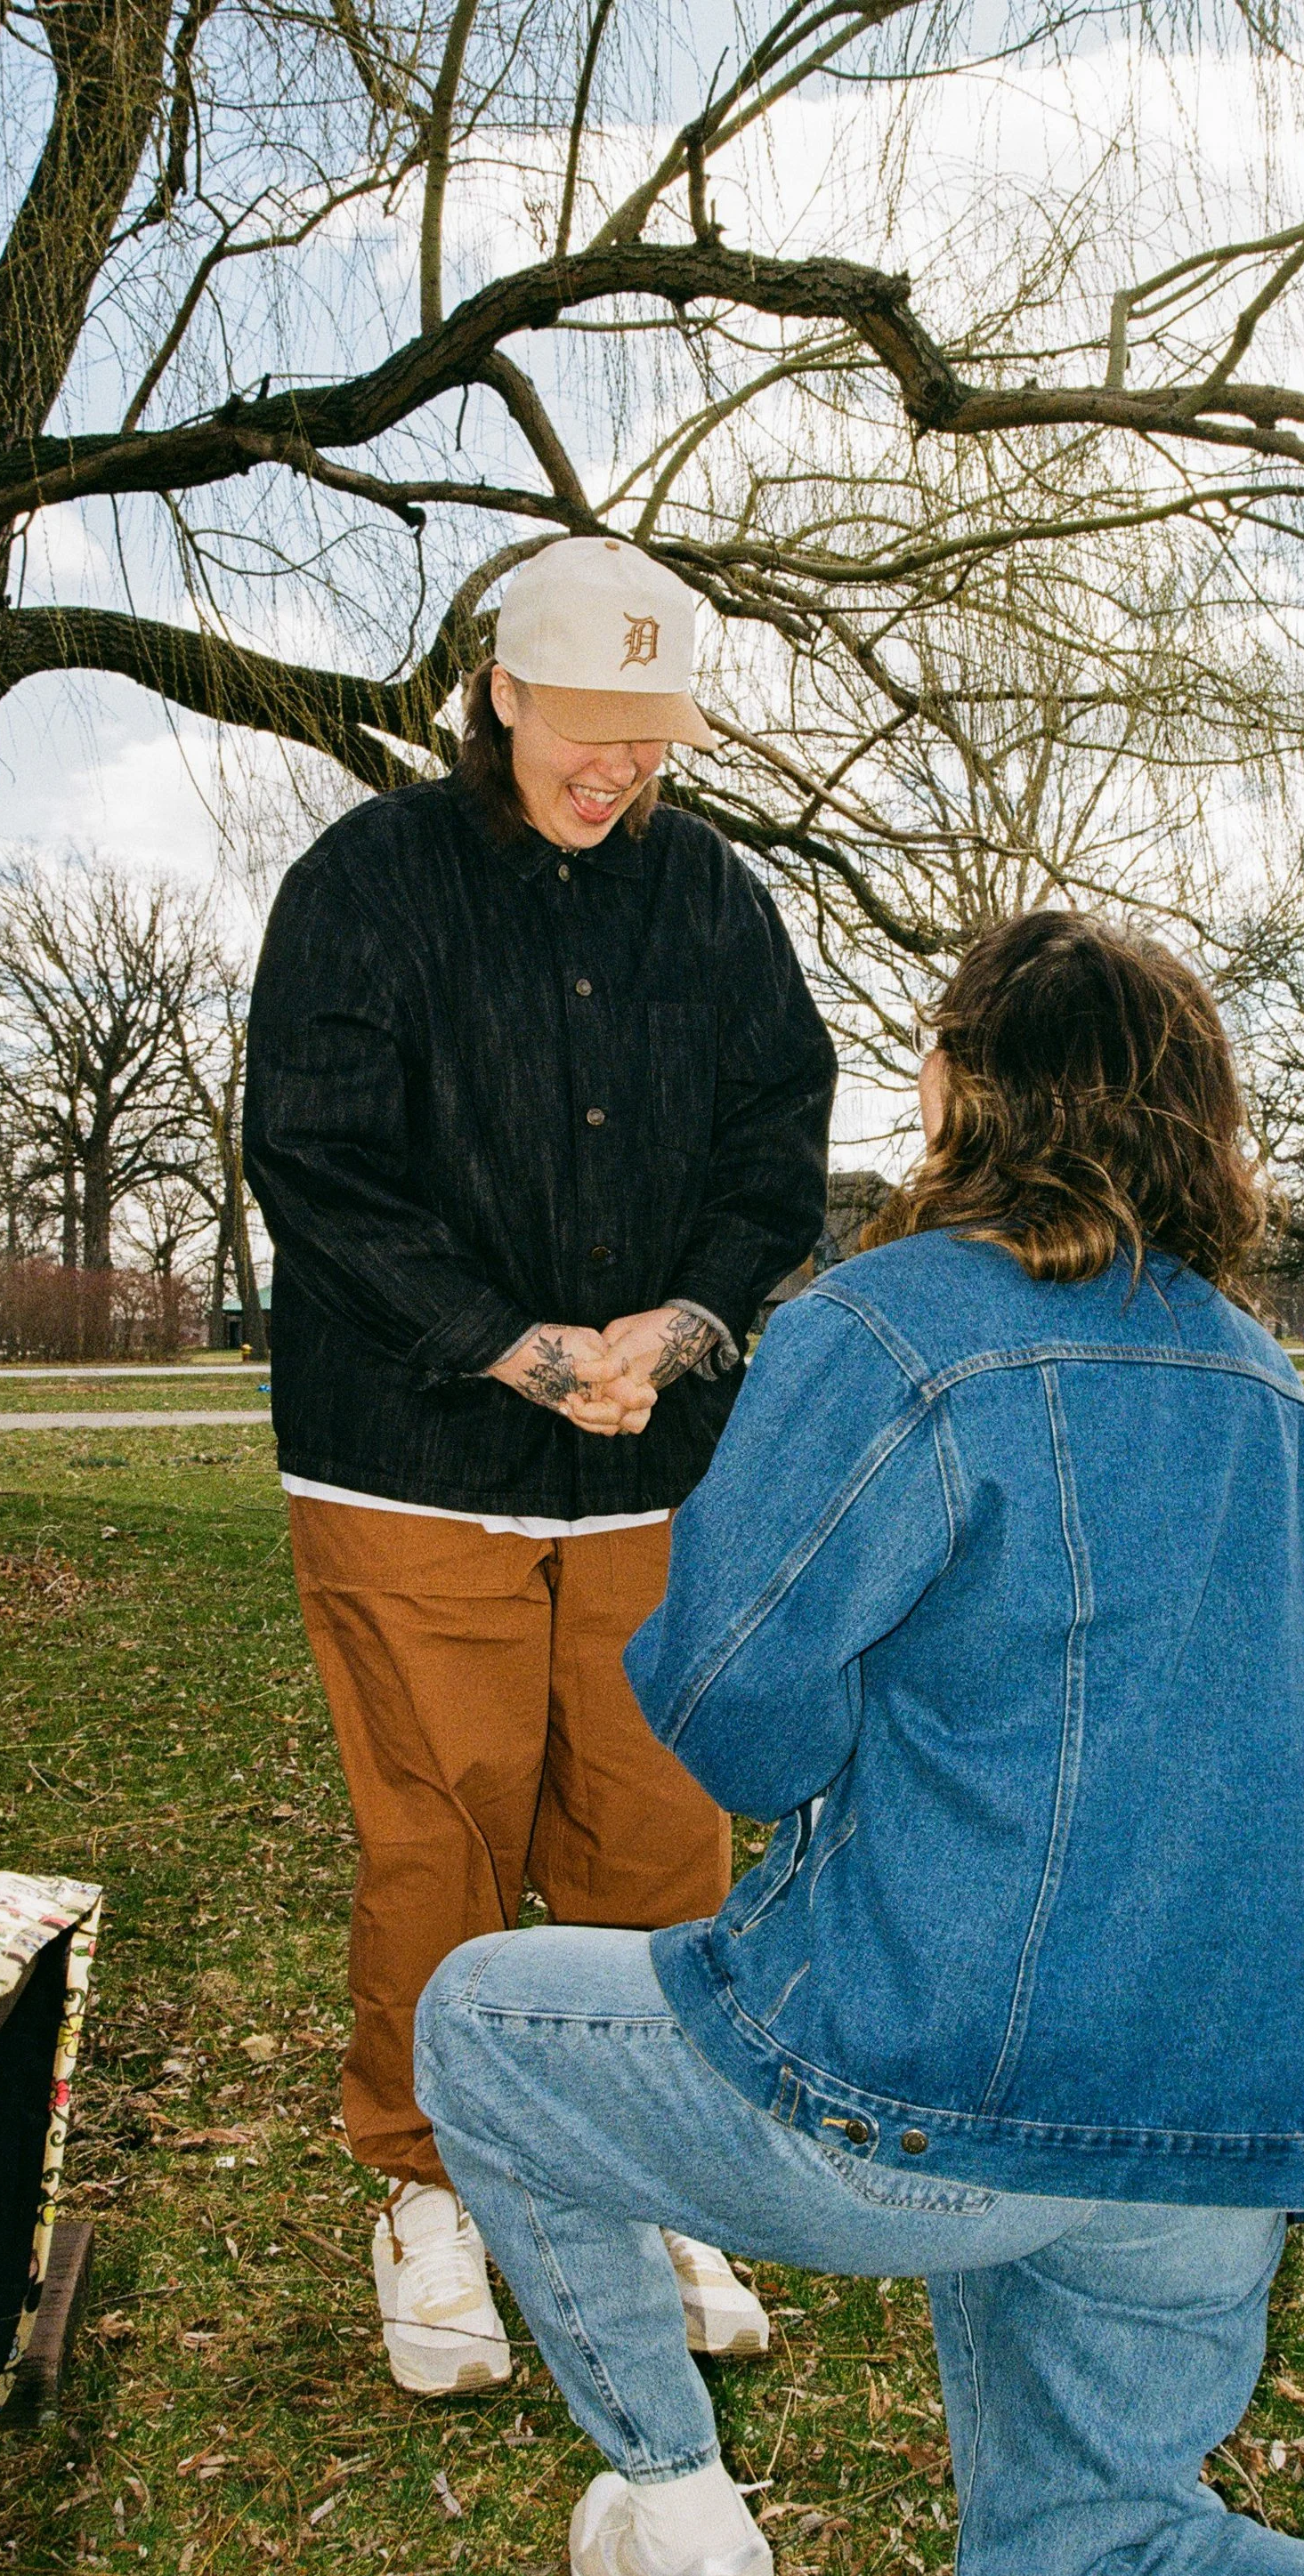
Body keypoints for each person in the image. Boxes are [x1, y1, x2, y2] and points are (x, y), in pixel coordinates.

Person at [417, 910, 1304, 2576]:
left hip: (957, 2080)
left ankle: (675, 2514)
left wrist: (841, 1741)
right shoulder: (1255, 1369)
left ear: (961, 1086)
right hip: (1214, 2117)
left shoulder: (885, 1323)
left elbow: (732, 1699)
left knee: (479, 2018)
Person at [243, 534, 837, 2395]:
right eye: (586, 726)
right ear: (499, 691)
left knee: (654, 1846)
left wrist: (689, 1318)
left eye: (649, 736)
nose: (617, 768)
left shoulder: (715, 900)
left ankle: (643, 2172)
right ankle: (424, 2188)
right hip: (412, 1463)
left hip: (655, 1474)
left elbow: (775, 1136)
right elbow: (316, 1158)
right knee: (444, 1839)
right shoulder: (366, 882)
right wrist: (513, 1343)